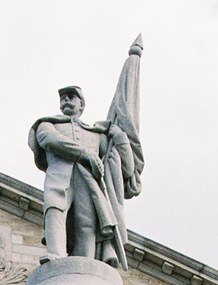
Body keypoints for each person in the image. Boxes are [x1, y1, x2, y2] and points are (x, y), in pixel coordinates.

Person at [28, 85, 137, 268]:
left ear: (82, 104)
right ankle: (56, 255)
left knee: (87, 224)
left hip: (87, 182)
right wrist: (85, 155)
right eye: (63, 98)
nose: (66, 100)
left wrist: (118, 135)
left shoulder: (96, 134)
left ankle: (86, 265)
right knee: (55, 210)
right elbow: (50, 140)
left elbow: (126, 168)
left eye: (71, 97)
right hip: (59, 178)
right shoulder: (47, 125)